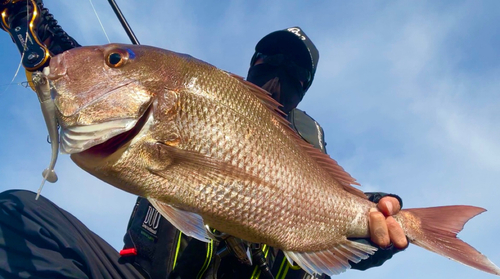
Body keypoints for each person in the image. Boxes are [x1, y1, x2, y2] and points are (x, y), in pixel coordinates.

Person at [0, 1, 407, 278]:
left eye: (294, 69)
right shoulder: (200, 103)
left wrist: (371, 221)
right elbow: (110, 90)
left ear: (305, 88)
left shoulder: (308, 147)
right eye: (269, 58)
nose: (279, 69)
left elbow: (323, 202)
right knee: (20, 215)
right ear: (251, 64)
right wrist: (49, 44)